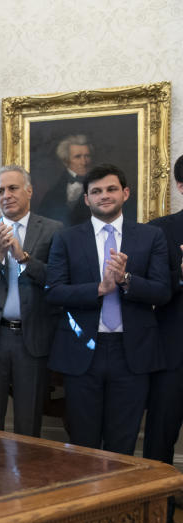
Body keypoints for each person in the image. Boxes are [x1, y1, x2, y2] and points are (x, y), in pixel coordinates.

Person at [45, 164, 170, 454]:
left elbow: (163, 292)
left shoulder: (151, 237)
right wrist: (99, 289)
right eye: (96, 191)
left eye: (111, 189)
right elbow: (53, 291)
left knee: (122, 443)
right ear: (86, 199)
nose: (104, 195)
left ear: (125, 193)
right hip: (82, 352)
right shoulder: (66, 238)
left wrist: (126, 280)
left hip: (133, 354)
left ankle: (119, 500)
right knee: (83, 443)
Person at [0, 166, 63, 437]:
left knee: (29, 423)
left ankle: (28, 480)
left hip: (32, 339)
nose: (6, 195)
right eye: (0, 191)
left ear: (29, 191)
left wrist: (23, 258)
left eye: (13, 188)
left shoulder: (53, 230)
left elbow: (57, 280)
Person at [143, 154, 183, 469]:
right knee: (159, 443)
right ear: (180, 187)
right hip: (172, 357)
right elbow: (149, 290)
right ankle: (159, 519)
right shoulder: (159, 232)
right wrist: (180, 274)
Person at [38, 134, 93, 227]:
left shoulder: (100, 186)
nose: (84, 162)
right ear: (65, 161)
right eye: (78, 157)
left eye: (87, 156)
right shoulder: (52, 194)